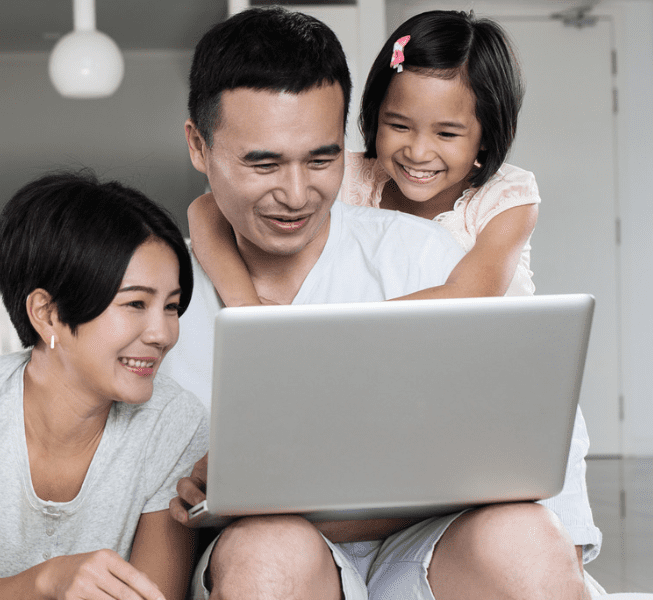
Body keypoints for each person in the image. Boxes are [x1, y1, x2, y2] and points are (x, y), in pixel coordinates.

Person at [159, 7, 600, 600]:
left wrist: (562, 547)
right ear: (198, 144)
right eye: (262, 163)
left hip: (422, 550)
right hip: (268, 554)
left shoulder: (431, 253)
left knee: (527, 540)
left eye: (321, 159)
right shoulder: (153, 292)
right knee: (269, 551)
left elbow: (530, 420)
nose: (294, 194)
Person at [0, 172, 209, 600]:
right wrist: (49, 581)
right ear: (46, 313)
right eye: (135, 303)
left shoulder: (177, 424)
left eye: (171, 307)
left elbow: (152, 597)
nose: (163, 333)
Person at [187, 10, 539, 306]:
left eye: (446, 134)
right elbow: (206, 210)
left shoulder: (505, 198)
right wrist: (248, 310)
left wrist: (345, 327)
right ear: (374, 114)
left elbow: (471, 296)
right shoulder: (351, 172)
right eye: (399, 125)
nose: (417, 153)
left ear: (486, 136)